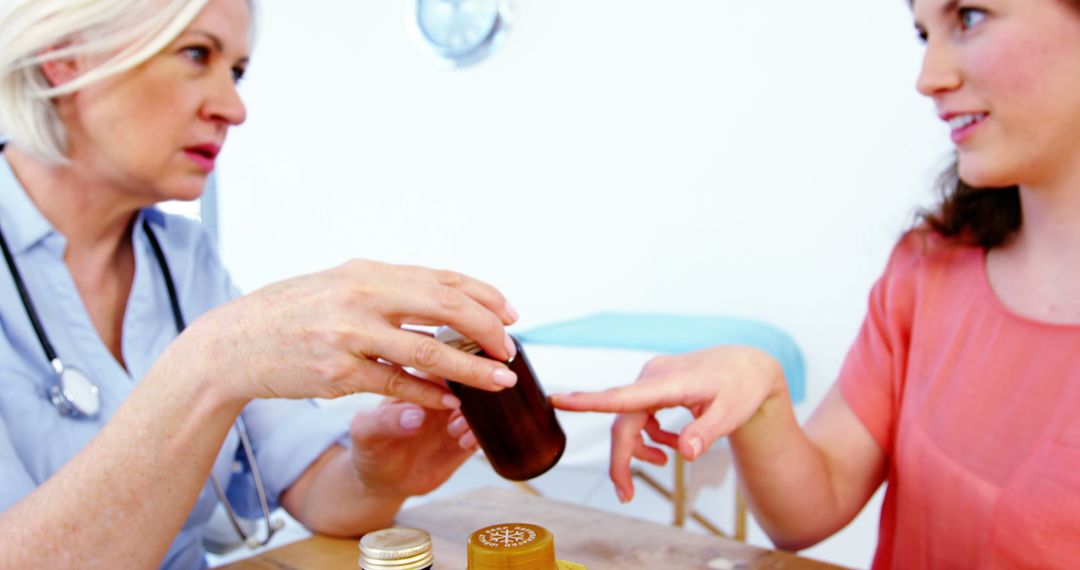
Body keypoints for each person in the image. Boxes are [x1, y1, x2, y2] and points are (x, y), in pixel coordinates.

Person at [552, 0, 1080, 567]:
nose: (929, 78)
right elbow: (810, 507)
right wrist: (760, 387)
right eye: (924, 33)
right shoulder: (925, 270)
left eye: (970, 17)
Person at [0, 0, 521, 567]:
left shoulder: (183, 258)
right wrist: (213, 361)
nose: (233, 107)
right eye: (196, 53)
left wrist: (379, 479)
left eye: (237, 71)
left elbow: (314, 488)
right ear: (65, 61)